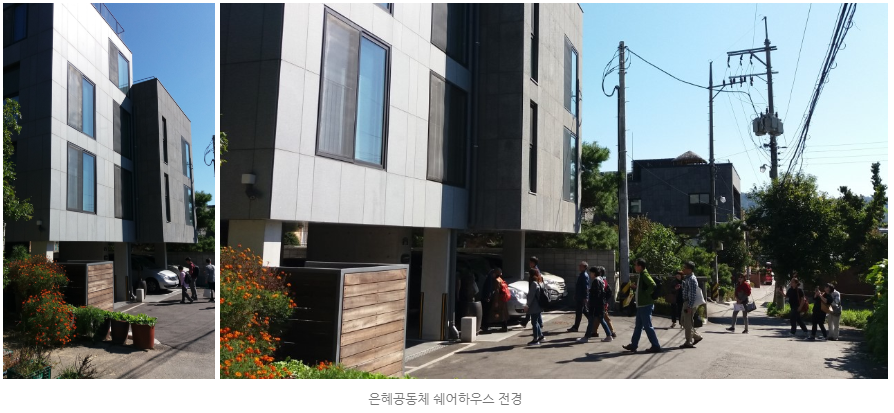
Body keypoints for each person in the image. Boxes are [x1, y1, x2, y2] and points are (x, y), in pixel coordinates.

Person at [621, 258, 662, 353]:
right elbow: (644, 288)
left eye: (636, 265)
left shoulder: (645, 275)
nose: (635, 267)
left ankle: (655, 345)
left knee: (647, 326)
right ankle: (633, 345)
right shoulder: (642, 274)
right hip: (641, 306)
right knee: (638, 327)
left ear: (640, 266)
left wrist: (646, 294)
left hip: (645, 305)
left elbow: (652, 285)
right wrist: (637, 288)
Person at [578, 266, 613, 343]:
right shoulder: (601, 280)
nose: (590, 274)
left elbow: (597, 293)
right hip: (600, 305)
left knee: (591, 320)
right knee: (601, 320)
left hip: (595, 305)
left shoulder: (596, 281)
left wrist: (591, 298)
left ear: (594, 273)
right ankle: (609, 335)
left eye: (591, 273)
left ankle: (586, 337)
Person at [679, 261, 703, 349]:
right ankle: (696, 336)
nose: (683, 269)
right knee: (683, 321)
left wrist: (689, 306)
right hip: (686, 302)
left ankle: (688, 342)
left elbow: (693, 294)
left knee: (687, 323)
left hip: (689, 303)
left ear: (689, 270)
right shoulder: (687, 278)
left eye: (685, 267)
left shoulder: (692, 279)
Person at [481, 268, 510, 333]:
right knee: (502, 313)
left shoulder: (496, 281)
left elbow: (497, 291)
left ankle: (486, 326)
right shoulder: (501, 279)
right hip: (503, 300)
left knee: (492, 313)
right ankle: (504, 327)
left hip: (499, 300)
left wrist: (496, 301)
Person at [524, 269, 546, 346]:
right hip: (539, 305)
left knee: (534, 322)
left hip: (534, 306)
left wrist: (527, 305)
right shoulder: (540, 282)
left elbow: (531, 296)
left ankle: (535, 339)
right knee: (536, 322)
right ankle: (541, 336)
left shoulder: (534, 283)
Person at [568, 261, 590, 333]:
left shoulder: (584, 275)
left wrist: (586, 297)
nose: (579, 267)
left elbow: (585, 287)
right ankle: (591, 322)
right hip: (580, 296)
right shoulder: (582, 275)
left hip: (581, 297)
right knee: (583, 311)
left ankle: (576, 327)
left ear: (584, 267)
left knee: (579, 312)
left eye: (580, 266)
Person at [520, 256, 540, 328]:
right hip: (534, 294)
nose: (530, 263)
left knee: (532, 310)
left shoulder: (535, 271)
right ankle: (526, 321)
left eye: (531, 262)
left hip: (534, 294)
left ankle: (526, 321)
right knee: (536, 311)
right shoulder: (535, 270)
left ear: (534, 263)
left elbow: (536, 284)